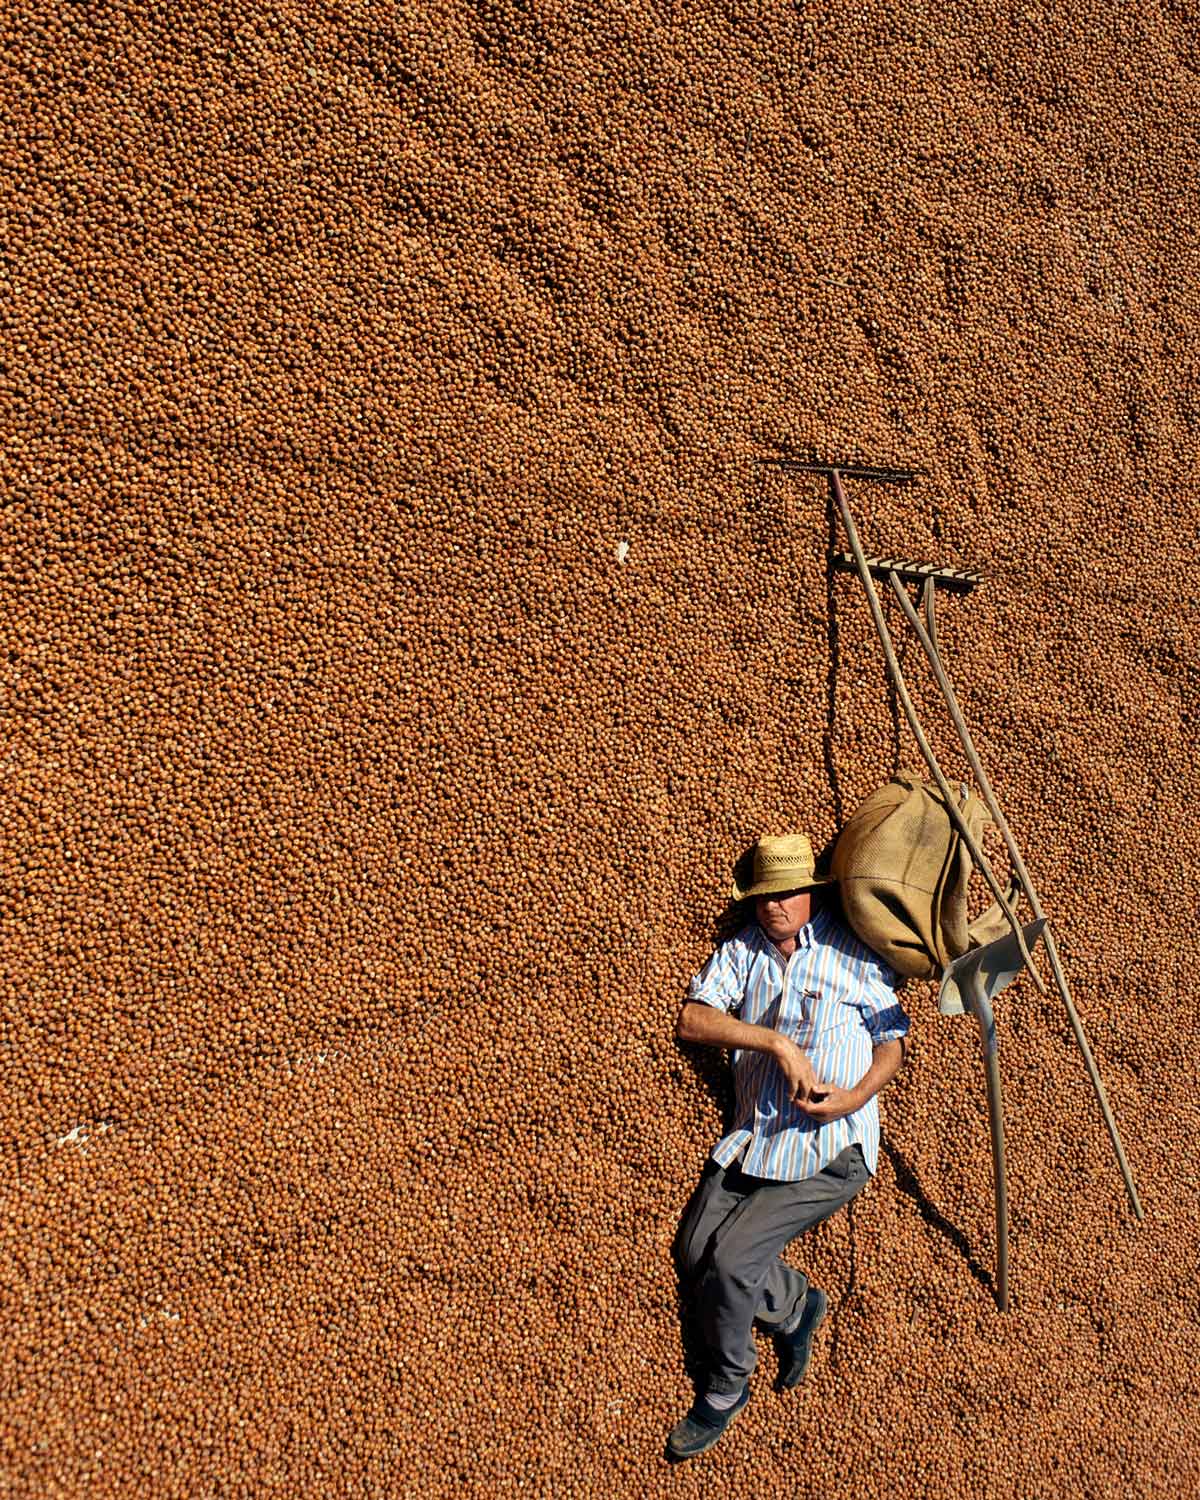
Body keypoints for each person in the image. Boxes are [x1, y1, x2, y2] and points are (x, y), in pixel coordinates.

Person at [667, 832, 910, 1462]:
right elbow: (694, 1020)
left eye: (790, 892)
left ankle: (725, 1386)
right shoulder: (742, 952)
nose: (777, 905)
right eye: (766, 895)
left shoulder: (854, 952)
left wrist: (856, 1098)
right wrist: (776, 1043)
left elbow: (892, 1043)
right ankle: (795, 1304)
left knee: (730, 1265)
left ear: (813, 893)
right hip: (757, 1139)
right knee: (696, 1250)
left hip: (831, 1149)